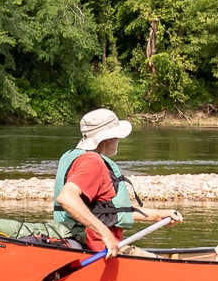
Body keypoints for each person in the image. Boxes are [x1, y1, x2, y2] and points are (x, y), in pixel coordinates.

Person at [52, 108, 181, 254]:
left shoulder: (73, 156)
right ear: (108, 138)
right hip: (99, 249)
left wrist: (158, 215)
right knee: (162, 267)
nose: (119, 140)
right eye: (117, 136)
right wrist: (104, 232)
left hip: (83, 244)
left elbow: (107, 211)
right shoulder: (92, 162)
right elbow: (66, 198)